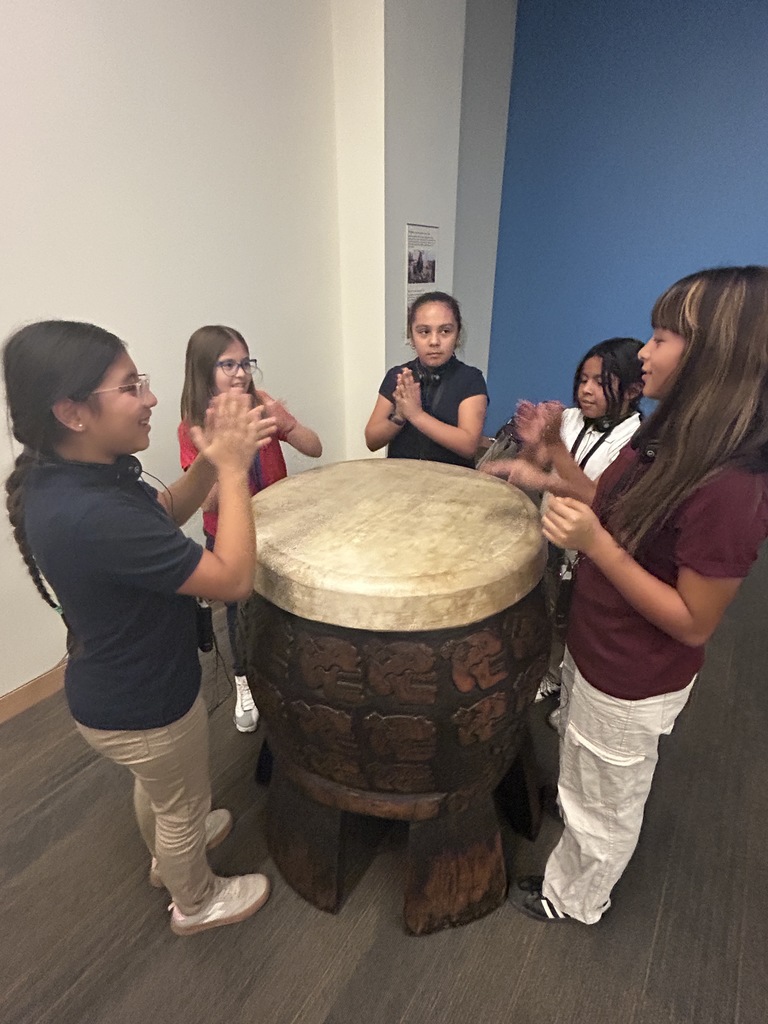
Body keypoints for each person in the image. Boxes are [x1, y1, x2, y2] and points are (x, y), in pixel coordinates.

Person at [502, 266, 768, 926]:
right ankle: (575, 822)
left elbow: (692, 620)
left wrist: (596, 546)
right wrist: (551, 454)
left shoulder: (732, 484)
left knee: (605, 802)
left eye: (661, 338)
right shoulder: (666, 434)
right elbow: (608, 507)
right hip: (597, 643)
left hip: (633, 672)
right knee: (586, 770)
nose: (643, 353)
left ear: (717, 354)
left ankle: (574, 899)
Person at [3, 320, 277, 936]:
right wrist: (235, 470)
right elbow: (234, 579)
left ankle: (170, 845)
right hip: (143, 702)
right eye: (131, 387)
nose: (151, 398)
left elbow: (168, 512)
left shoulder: (80, 474)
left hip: (116, 692)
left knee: (163, 789)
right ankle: (195, 899)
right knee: (180, 800)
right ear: (72, 411)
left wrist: (208, 463)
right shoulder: (91, 513)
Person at [484, 338, 644, 710]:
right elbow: (533, 467)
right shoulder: (569, 419)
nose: (586, 390)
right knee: (549, 610)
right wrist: (531, 443)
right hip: (552, 536)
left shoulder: (634, 441)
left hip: (592, 553)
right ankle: (551, 675)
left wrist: (554, 449)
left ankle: (570, 694)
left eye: (600, 382)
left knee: (578, 624)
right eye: (582, 379)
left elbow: (599, 498)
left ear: (634, 390)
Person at [179, 325, 322, 733]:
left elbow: (315, 447)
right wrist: (228, 456)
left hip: (280, 524)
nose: (240, 373)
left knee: (284, 602)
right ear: (205, 370)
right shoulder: (195, 423)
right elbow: (205, 501)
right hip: (228, 533)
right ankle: (244, 679)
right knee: (240, 614)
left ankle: (291, 670)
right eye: (228, 364)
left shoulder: (262, 404)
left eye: (245, 363)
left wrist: (288, 425)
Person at [364, 291, 488, 468]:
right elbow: (372, 441)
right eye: (424, 332)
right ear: (412, 336)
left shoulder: (471, 379)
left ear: (458, 335)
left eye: (445, 331)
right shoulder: (399, 376)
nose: (434, 341)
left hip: (454, 484)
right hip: (402, 481)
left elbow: (468, 446)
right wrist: (399, 416)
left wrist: (416, 414)